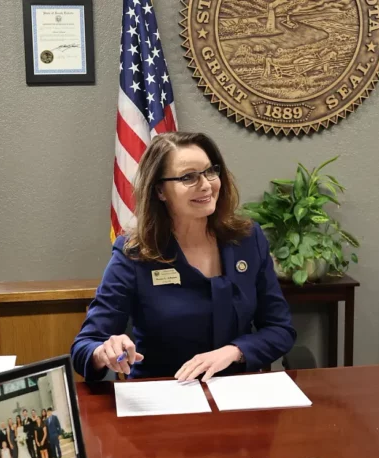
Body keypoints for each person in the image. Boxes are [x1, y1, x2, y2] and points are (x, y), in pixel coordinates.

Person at [71, 132, 296, 381]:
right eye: (188, 177)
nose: (206, 184)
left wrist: (235, 351)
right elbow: (84, 346)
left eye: (211, 171)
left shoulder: (247, 239)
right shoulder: (135, 253)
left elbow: (280, 329)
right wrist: (104, 352)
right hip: (163, 393)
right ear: (160, 191)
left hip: (236, 391)